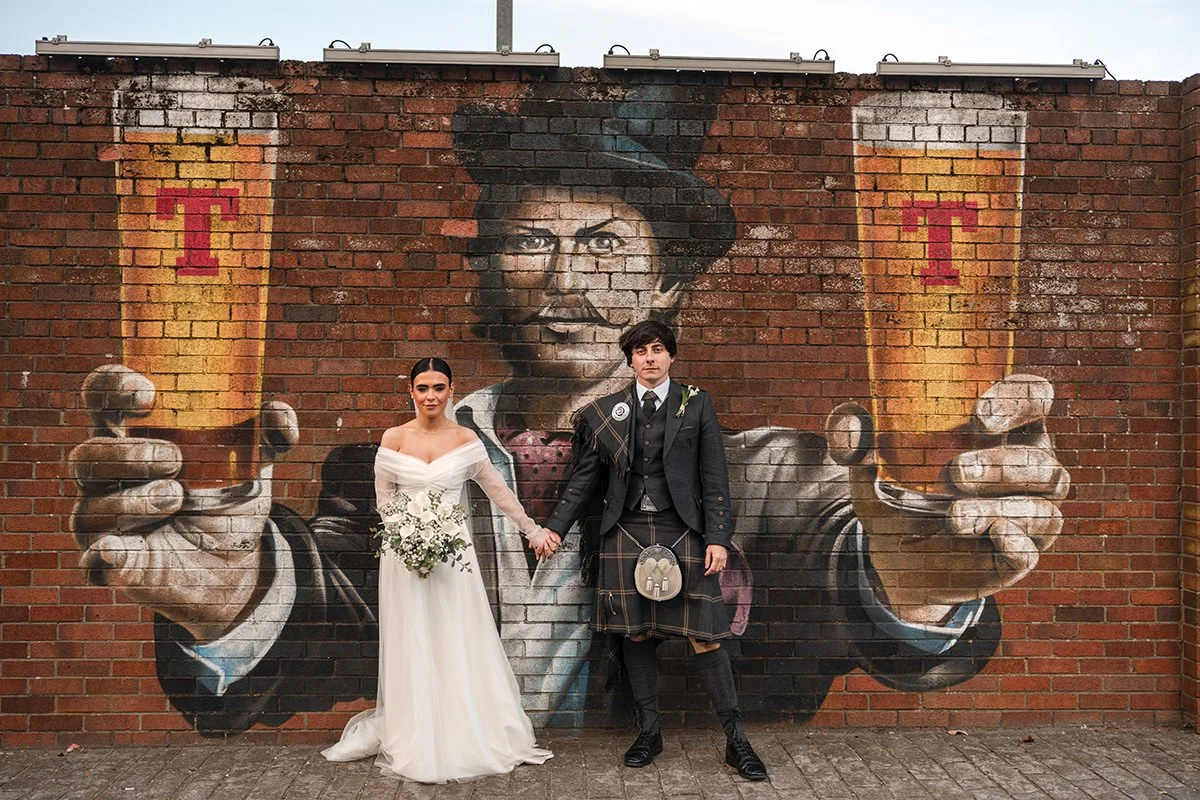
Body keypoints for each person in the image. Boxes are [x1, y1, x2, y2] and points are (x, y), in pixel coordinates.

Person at [67, 95, 1068, 736]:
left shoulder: (761, 464)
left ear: (667, 280)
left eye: (600, 244)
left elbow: (835, 540)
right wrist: (229, 589)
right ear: (486, 276)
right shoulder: (392, 459)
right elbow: (329, 606)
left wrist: (918, 580)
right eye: (529, 243)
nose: (562, 280)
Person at [539, 319, 767, 780]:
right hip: (624, 530)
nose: (649, 358)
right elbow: (583, 481)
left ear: (671, 356)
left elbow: (714, 476)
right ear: (629, 359)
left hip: (684, 529)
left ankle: (736, 741)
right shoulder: (605, 412)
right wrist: (556, 528)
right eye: (640, 351)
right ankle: (649, 732)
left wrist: (718, 537)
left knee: (706, 635)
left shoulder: (697, 404)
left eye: (658, 349)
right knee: (636, 633)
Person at [321, 357, 552, 782]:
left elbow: (498, 492)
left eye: (439, 387)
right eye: (423, 387)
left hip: (452, 557)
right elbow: (385, 498)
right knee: (412, 638)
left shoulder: (466, 439)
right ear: (410, 391)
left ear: (451, 390)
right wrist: (407, 536)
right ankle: (416, 729)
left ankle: (463, 729)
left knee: (456, 634)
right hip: (405, 558)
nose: (431, 396)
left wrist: (532, 529)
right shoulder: (392, 438)